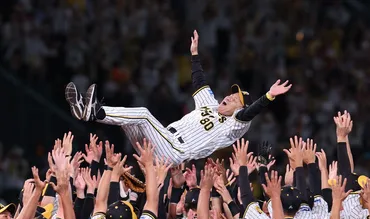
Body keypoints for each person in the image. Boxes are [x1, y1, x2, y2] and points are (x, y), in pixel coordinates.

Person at [65, 30, 292, 165]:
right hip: (159, 141)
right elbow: (200, 83)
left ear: (239, 109)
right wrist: (194, 54)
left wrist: (269, 96)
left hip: (174, 152)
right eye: (232, 93)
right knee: (130, 120)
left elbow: (249, 112)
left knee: (143, 114)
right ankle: (86, 109)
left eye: (236, 98)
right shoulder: (210, 106)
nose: (231, 97)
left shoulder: (234, 125)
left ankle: (92, 112)